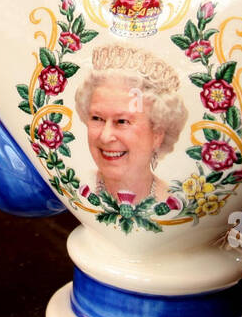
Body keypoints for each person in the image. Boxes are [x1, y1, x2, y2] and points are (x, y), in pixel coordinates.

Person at [73, 45, 188, 206]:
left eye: (122, 122)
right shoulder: (76, 186)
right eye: (97, 118)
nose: (105, 137)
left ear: (157, 134)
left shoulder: (177, 202)